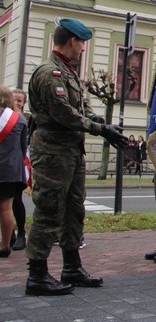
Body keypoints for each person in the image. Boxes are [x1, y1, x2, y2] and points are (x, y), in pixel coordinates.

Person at [25, 18, 128, 296]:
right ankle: (37, 274)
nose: (83, 49)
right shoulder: (49, 73)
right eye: (82, 43)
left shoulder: (67, 72)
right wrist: (100, 128)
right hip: (52, 153)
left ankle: (72, 267)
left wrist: (99, 121)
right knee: (49, 212)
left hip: (71, 152)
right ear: (73, 41)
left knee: (74, 211)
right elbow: (63, 114)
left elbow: (80, 109)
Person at [0, 86, 28, 258]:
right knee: (6, 208)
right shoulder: (20, 119)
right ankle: (5, 244)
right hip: (11, 169)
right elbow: (23, 148)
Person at [11, 88, 30, 251]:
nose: (16, 103)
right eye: (14, 100)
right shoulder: (3, 117)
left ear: (24, 104)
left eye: (19, 101)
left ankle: (21, 233)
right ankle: (9, 233)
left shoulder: (26, 119)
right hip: (5, 164)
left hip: (18, 164)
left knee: (16, 200)